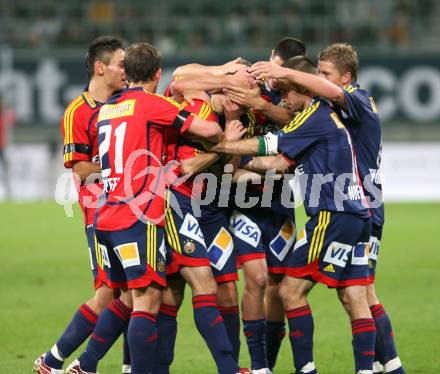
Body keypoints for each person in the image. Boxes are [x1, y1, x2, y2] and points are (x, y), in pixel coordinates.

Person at [65, 42, 228, 374]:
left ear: (126, 73)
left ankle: (86, 362)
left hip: (107, 213)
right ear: (157, 74)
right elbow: (209, 130)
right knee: (147, 299)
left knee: (129, 297)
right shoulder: (155, 105)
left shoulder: (108, 108)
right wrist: (225, 132)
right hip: (142, 212)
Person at [212, 56, 377, 374]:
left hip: (331, 215)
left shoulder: (313, 116)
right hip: (358, 216)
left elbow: (267, 145)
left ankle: (305, 369)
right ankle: (366, 371)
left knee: (289, 290)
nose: (283, 100)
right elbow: (278, 164)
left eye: (287, 91)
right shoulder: (327, 115)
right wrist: (236, 165)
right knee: (354, 294)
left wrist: (221, 146)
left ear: (302, 87)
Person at [250, 42, 405, 374]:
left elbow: (315, 102)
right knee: (355, 294)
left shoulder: (357, 101)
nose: (318, 81)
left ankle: (389, 367)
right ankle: (386, 367)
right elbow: (295, 122)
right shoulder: (333, 109)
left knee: (359, 293)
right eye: (317, 73)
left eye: (325, 75)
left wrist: (284, 71)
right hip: (356, 205)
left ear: (345, 78)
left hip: (357, 205)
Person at [33, 35, 129, 374]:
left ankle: (125, 366)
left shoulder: (127, 101)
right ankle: (54, 359)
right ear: (100, 67)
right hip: (100, 214)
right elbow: (81, 169)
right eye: (120, 63)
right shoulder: (78, 112)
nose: (125, 69)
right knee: (109, 294)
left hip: (130, 209)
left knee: (136, 288)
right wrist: (118, 163)